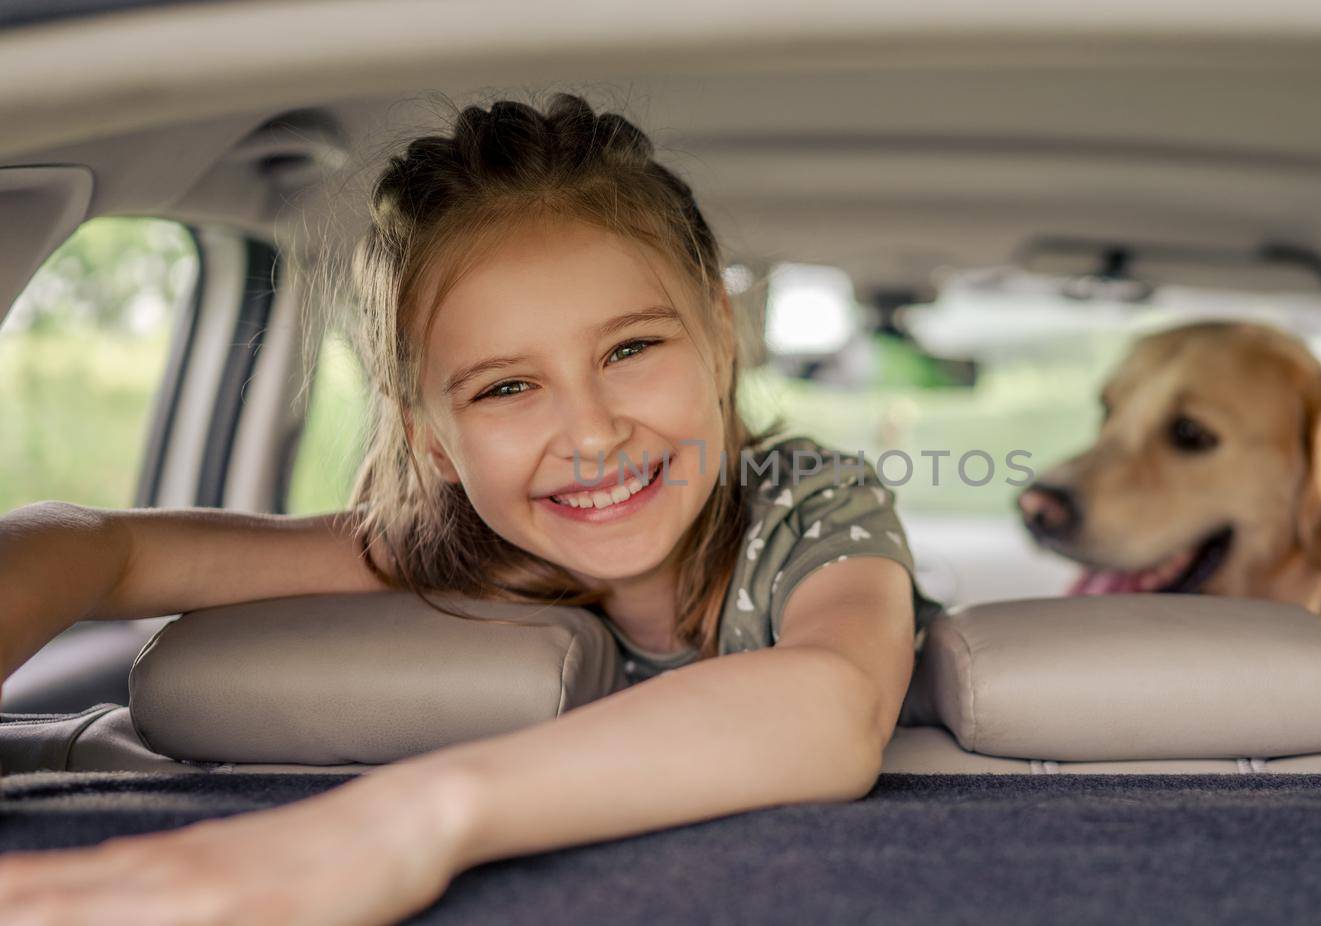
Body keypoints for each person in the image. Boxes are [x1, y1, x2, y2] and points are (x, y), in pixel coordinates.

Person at [0, 94, 943, 925]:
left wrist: (402, 822)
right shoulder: (453, 549)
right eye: (504, 390)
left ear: (721, 334)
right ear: (429, 438)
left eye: (629, 351)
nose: (591, 433)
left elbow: (835, 700)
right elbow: (107, 550)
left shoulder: (808, 506)